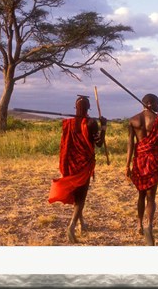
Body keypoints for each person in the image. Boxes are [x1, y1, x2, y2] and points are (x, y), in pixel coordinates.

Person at [48, 95, 107, 243]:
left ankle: (82, 224)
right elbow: (99, 143)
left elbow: (65, 144)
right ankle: (72, 225)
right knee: (81, 197)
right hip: (84, 165)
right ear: (88, 108)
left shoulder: (68, 123)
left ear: (76, 108)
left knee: (77, 195)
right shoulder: (91, 123)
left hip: (70, 164)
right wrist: (104, 127)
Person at [125, 93, 158, 246]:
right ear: (150, 103)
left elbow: (130, 145)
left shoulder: (133, 119)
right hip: (153, 160)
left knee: (141, 195)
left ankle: (139, 225)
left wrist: (127, 165)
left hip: (138, 161)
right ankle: (148, 226)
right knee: (151, 198)